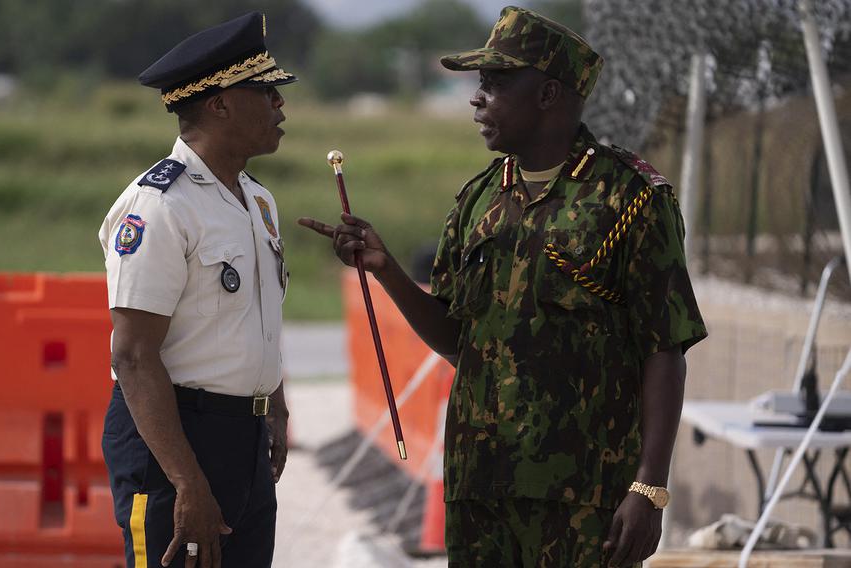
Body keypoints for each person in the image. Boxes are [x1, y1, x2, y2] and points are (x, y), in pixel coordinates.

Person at [300, 6, 707, 568]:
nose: (477, 97)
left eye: (495, 82)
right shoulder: (478, 199)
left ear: (548, 94)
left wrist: (649, 489)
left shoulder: (632, 199)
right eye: (478, 83)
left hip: (583, 496)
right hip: (480, 490)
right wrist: (386, 268)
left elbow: (665, 349)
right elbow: (455, 339)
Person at [98, 12, 295, 568]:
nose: (281, 107)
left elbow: (251, 320)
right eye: (268, 92)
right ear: (221, 103)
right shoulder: (160, 205)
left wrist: (273, 405)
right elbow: (134, 356)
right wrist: (187, 483)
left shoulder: (256, 200)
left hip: (244, 436)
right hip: (175, 439)